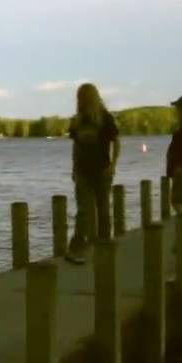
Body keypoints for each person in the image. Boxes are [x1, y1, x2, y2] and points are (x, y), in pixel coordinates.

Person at [66, 83, 120, 264]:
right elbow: (76, 146)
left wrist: (113, 164)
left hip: (102, 170)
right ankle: (77, 249)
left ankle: (104, 247)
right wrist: (74, 168)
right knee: (84, 211)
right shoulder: (77, 120)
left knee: (103, 209)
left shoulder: (105, 118)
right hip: (83, 171)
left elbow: (116, 142)